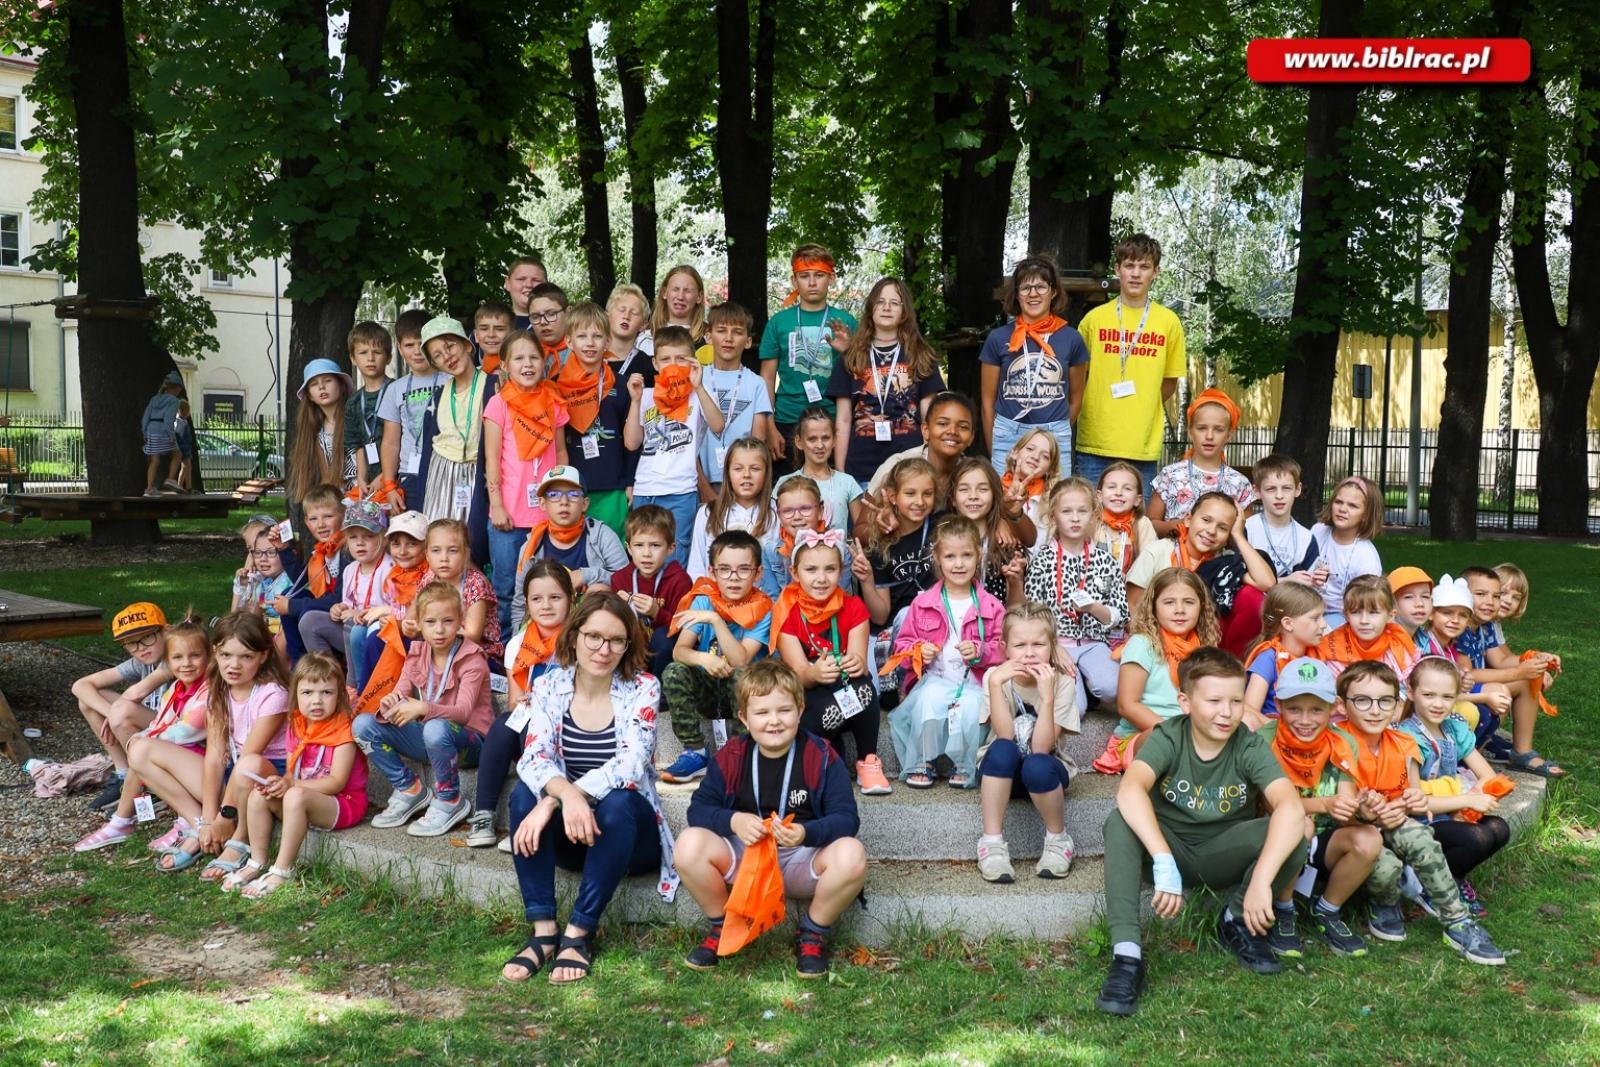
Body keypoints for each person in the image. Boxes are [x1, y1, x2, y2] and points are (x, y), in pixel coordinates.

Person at [1095, 648, 1308, 1016]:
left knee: (1298, 827)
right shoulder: (1169, 736)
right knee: (1119, 822)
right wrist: (1162, 859)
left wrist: (1260, 881)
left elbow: (1289, 805)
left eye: (1236, 701)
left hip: (1223, 850)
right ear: (1186, 701)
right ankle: (1127, 957)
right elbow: (1130, 790)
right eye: (1213, 701)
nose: (1226, 713)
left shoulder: (1248, 743)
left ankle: (1236, 919)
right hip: (1169, 849)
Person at [503, 590, 678, 984]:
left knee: (617, 802)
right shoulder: (549, 686)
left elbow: (631, 764)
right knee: (521, 796)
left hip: (628, 840)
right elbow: (533, 756)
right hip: (571, 835)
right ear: (575, 634)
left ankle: (579, 933)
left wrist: (563, 798)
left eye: (616, 640)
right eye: (594, 636)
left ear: (628, 645)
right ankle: (544, 931)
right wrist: (560, 798)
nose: (603, 649)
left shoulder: (644, 687)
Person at [676, 659, 867, 979]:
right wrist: (734, 821)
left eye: (784, 710)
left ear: (800, 710)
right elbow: (698, 810)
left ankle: (811, 933)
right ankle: (722, 925)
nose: (774, 721)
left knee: (852, 855)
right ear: (744, 718)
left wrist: (806, 832)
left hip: (798, 858)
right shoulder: (731, 756)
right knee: (688, 845)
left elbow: (847, 819)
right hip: (745, 856)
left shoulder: (821, 755)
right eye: (762, 713)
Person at [1336, 661, 1504, 964]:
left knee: (1422, 837)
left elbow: (1412, 797)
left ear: (1396, 700)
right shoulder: (1338, 741)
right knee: (1385, 865)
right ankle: (1385, 903)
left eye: (1385, 701)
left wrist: (1397, 807)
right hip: (1356, 829)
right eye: (1363, 701)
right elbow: (1340, 806)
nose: (1375, 710)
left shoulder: (1401, 742)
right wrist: (1376, 814)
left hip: (1396, 819)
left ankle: (1457, 922)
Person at [133, 613, 289, 879]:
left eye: (246, 657)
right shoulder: (218, 688)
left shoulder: (273, 694)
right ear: (215, 652)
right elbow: (215, 756)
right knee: (140, 749)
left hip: (265, 775)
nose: (234, 665)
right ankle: (199, 827)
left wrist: (225, 817)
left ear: (263, 656)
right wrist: (208, 819)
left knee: (247, 764)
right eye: (226, 655)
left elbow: (249, 756)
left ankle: (238, 837)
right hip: (233, 771)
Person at [1255, 657, 1376, 958]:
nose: (1305, 720)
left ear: (1334, 707)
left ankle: (1327, 909)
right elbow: (1270, 805)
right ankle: (1284, 909)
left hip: (1325, 836)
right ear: (1279, 706)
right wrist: (1325, 803)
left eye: (1316, 710)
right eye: (1295, 708)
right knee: (1301, 824)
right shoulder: (1263, 741)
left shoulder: (1342, 741)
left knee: (1369, 837)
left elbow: (1344, 800)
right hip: (1275, 837)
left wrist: (1361, 807)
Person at [356, 581, 491, 838]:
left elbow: (462, 712)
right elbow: (400, 693)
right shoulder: (417, 653)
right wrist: (390, 702)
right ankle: (409, 788)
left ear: (461, 621)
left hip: (470, 743)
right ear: (418, 622)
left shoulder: (472, 658)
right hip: (432, 738)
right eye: (430, 622)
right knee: (363, 725)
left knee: (435, 727)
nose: (439, 630)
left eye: (448, 621)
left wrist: (421, 708)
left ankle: (450, 799)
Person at [229, 652, 369, 898]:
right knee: (258, 795)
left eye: (326, 692)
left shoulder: (343, 731)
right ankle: (257, 861)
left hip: (342, 803)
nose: (317, 701)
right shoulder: (297, 723)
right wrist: (280, 783)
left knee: (294, 796)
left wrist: (291, 784)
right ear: (295, 695)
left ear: (340, 695)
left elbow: (337, 782)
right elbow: (294, 771)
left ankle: (283, 869)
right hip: (305, 797)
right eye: (307, 693)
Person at [74, 616, 212, 854]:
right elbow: (161, 722)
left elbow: (187, 730)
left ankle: (193, 823)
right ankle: (122, 818)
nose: (186, 663)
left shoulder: (208, 690)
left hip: (214, 775)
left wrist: (142, 739)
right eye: (178, 658)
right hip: (190, 762)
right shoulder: (178, 689)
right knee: (140, 747)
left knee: (142, 749)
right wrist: (128, 727)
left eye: (147, 638)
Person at [887, 516, 1005, 789]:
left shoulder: (991, 605)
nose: (959, 563)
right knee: (928, 698)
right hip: (936, 677)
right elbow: (902, 647)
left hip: (973, 681)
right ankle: (925, 759)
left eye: (966, 555)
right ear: (937, 559)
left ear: (979, 556)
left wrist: (980, 651)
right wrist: (919, 652)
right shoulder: (923, 603)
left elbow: (1003, 648)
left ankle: (963, 761)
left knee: (972, 706)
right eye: (950, 556)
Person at [466, 561, 576, 850]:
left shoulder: (581, 641)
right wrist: (526, 702)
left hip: (568, 729)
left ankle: (529, 818)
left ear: (571, 599)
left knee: (527, 726)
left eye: (555, 597)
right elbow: (515, 700)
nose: (546, 606)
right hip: (531, 724)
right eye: (537, 599)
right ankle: (484, 814)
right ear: (526, 603)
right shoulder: (517, 644)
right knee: (504, 724)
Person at [773, 529, 890, 796]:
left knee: (864, 687)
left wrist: (856, 663)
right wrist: (813, 672)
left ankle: (867, 760)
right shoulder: (786, 613)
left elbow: (859, 659)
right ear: (795, 572)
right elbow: (798, 674)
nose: (821, 578)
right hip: (811, 697)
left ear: (841, 571)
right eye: (811, 570)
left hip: (847, 692)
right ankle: (827, 751)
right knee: (805, 706)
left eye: (830, 569)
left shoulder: (853, 607)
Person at [1397, 657, 1512, 918]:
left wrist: (1472, 799)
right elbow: (1415, 802)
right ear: (1411, 692)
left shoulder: (1452, 729)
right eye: (1429, 695)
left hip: (1449, 812)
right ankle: (1430, 883)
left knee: (1499, 829)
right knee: (1477, 838)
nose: (1438, 704)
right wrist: (1465, 801)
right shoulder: (1405, 737)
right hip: (1420, 823)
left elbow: (1487, 775)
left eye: (1447, 697)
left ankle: (1452, 876)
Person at [1074, 233, 1187, 494]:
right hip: (1095, 442)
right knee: (1090, 522)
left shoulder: (1169, 322)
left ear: (1156, 272)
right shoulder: (1093, 320)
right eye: (1129, 265)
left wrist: (1141, 403)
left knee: (1137, 528)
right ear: (1117, 269)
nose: (1136, 274)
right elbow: (1079, 378)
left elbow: (1169, 383)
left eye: (1144, 266)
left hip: (1142, 444)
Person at [974, 603, 1078, 882]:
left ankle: (1058, 840)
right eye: (1020, 645)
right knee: (1003, 749)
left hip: (1044, 773)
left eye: (1038, 644)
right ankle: (992, 843)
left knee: (1036, 764)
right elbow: (1005, 736)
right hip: (1001, 772)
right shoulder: (994, 678)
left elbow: (1041, 748)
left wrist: (1046, 698)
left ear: (1052, 646)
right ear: (1005, 648)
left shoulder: (1063, 683)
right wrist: (996, 685)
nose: (1029, 653)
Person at [660, 531, 773, 783]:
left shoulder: (763, 609)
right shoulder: (703, 600)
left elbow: (740, 660)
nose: (733, 578)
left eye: (744, 569)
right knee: (674, 670)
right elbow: (680, 650)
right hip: (709, 688)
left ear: (758, 573)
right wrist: (704, 659)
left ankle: (739, 751)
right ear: (712, 572)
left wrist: (715, 620)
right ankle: (696, 752)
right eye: (725, 569)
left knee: (744, 674)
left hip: (745, 696)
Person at [484, 328, 570, 634]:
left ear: (545, 361)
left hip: (544, 516)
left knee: (546, 586)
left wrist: (562, 499)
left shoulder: (554, 402)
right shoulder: (499, 404)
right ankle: (505, 652)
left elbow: (560, 452)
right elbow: (492, 458)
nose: (527, 364)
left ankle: (543, 647)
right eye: (518, 358)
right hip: (509, 515)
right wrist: (496, 504)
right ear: (505, 365)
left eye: (534, 357)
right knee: (506, 588)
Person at [1094, 567, 1218, 775]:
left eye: (1189, 602)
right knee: (1164, 739)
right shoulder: (1142, 644)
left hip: (1194, 731)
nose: (1180, 610)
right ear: (1153, 607)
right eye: (1169, 602)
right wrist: (1178, 732)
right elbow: (1126, 705)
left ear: (1201, 606)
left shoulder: (1205, 646)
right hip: (1143, 736)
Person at [1022, 477, 1128, 715]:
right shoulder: (1042, 561)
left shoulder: (1105, 560)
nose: (1075, 518)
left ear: (1093, 516)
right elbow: (1033, 613)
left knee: (1111, 687)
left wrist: (1094, 608)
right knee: (1075, 710)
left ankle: (1088, 679)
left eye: (1082, 511)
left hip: (1094, 643)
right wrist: (1052, 646)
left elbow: (1120, 614)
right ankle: (1077, 684)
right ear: (1053, 518)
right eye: (1066, 511)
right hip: (1059, 643)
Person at [1126, 491, 1274, 658]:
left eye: (1223, 528)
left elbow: (1267, 583)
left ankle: (1228, 667)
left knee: (1251, 596)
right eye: (1206, 520)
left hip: (1208, 642)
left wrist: (1238, 536)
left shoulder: (1226, 562)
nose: (1211, 531)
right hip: (1158, 641)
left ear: (1227, 537)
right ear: (1189, 519)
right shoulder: (1159, 551)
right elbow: (1133, 606)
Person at [627, 325, 728, 569]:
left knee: (674, 555)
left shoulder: (698, 395)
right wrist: (635, 401)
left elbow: (718, 425)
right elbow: (631, 442)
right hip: (646, 488)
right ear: (655, 363)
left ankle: (671, 606)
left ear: (692, 362)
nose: (673, 364)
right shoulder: (647, 395)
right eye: (666, 359)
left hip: (680, 491)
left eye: (681, 359)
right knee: (644, 557)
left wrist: (699, 386)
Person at [828, 277, 945, 484]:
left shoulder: (920, 355)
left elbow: (930, 417)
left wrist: (932, 461)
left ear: (904, 311)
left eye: (895, 303)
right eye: (880, 302)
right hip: (861, 466)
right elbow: (843, 420)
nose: (886, 308)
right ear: (871, 308)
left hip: (911, 465)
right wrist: (840, 472)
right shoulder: (851, 357)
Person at [980, 254, 1088, 474]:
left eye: (1040, 286)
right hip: (1008, 432)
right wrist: (996, 445)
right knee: (1006, 503)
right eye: (1025, 288)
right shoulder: (998, 338)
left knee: (1056, 503)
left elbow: (1076, 398)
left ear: (1054, 291)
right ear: (1016, 295)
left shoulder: (1072, 338)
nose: (1033, 294)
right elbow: (987, 401)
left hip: (1054, 432)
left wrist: (1058, 427)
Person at [1457, 565, 1564, 777]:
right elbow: (1469, 675)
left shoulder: (1484, 625)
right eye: (1482, 594)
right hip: (1460, 692)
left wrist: (1535, 659)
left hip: (1474, 688)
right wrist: (1519, 672)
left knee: (1526, 681)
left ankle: (1522, 753)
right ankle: (1469, 759)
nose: (1494, 601)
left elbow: (1502, 659)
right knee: (1503, 689)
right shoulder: (1460, 626)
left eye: (1496, 596)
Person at [759, 244, 856, 469]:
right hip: (787, 419)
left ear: (831, 278)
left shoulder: (846, 322)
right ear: (795, 281)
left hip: (833, 421)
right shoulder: (778, 322)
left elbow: (862, 373)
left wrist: (848, 350)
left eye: (819, 275)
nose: (812, 283)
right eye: (804, 276)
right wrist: (769, 426)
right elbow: (766, 378)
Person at [73, 602, 173, 813]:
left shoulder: (178, 656)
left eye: (147, 637)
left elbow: (137, 693)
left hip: (178, 732)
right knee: (90, 700)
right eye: (131, 643)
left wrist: (116, 715)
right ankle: (124, 775)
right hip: (154, 728)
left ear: (166, 631)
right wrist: (111, 714)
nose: (141, 648)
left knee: (124, 711)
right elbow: (80, 685)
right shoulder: (142, 662)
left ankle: (149, 785)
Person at [553, 301, 639, 538]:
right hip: (573, 487)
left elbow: (632, 441)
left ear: (608, 342)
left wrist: (630, 481)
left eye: (597, 336)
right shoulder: (556, 387)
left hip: (613, 485)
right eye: (582, 336)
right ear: (569, 341)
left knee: (613, 553)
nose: (590, 343)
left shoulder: (622, 385)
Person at [416, 317, 496, 567]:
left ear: (468, 345)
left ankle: (473, 597)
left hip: (477, 470)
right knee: (441, 544)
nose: (447, 357)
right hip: (443, 474)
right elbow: (428, 446)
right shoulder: (438, 395)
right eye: (438, 355)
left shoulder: (493, 385)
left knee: (472, 542)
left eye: (450, 346)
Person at [510, 466, 628, 628]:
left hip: (591, 626)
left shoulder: (602, 536)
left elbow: (628, 583)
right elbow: (520, 602)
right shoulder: (531, 547)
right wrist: (518, 642)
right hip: (548, 622)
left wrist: (585, 575)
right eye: (554, 495)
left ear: (585, 504)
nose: (564, 502)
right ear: (542, 503)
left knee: (598, 589)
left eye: (573, 495)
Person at [299, 500, 391, 684]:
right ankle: (328, 679)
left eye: (369, 536)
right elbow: (349, 603)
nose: (360, 543)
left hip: (377, 636)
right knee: (309, 620)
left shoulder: (390, 568)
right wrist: (340, 607)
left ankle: (354, 684)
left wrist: (359, 614)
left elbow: (393, 609)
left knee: (354, 626)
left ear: (384, 537)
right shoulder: (351, 569)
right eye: (353, 537)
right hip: (351, 633)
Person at [1147, 388, 1257, 537]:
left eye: (1218, 429)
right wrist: (1174, 527)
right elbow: (1149, 525)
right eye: (1202, 428)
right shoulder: (1170, 475)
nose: (1209, 436)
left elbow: (1248, 532)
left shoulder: (1239, 483)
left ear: (1229, 435)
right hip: (1173, 557)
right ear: (1191, 431)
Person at [697, 302, 773, 498]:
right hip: (700, 481)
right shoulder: (696, 379)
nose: (728, 338)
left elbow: (758, 441)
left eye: (737, 332)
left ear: (748, 341)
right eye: (721, 330)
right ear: (709, 336)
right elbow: (687, 442)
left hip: (743, 483)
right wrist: (704, 488)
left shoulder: (756, 383)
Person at [610, 505, 693, 677]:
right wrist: (618, 609)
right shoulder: (620, 579)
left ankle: (660, 694)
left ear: (671, 548)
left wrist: (657, 612)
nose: (647, 553)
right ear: (629, 548)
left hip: (661, 654)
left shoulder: (680, 580)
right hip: (631, 646)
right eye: (639, 545)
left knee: (664, 637)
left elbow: (686, 629)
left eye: (655, 545)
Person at [854, 457, 938, 628]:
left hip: (937, 623)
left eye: (927, 494)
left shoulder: (941, 528)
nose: (920, 502)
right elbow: (880, 617)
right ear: (892, 496)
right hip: (895, 631)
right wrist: (867, 581)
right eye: (910, 493)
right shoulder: (880, 547)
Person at [269, 484, 348, 663]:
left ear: (343, 516)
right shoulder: (321, 553)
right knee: (288, 594)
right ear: (306, 522)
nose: (320, 525)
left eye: (328, 516)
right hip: (330, 611)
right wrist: (283, 549)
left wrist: (293, 606)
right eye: (313, 519)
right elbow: (302, 580)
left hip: (343, 613)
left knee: (299, 609)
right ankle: (299, 663)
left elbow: (339, 598)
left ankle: (319, 668)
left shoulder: (346, 551)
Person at [376, 309, 440, 512]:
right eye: (409, 345)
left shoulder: (451, 380)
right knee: (414, 537)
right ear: (399, 348)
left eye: (422, 343)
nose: (417, 351)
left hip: (443, 469)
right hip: (409, 474)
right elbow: (390, 441)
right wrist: (389, 484)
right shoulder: (395, 389)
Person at [688, 437, 778, 580]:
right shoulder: (708, 513)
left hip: (764, 600)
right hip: (715, 599)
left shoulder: (777, 513)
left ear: (766, 473)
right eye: (738, 468)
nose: (746, 475)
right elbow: (696, 569)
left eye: (755, 468)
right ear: (728, 473)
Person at [865, 391, 978, 503]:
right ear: (925, 430)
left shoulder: (976, 474)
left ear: (972, 437)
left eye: (963, 427)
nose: (952, 431)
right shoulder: (896, 467)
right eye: (943, 424)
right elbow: (863, 520)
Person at [1242, 580, 1326, 725]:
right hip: (1274, 735)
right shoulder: (1268, 658)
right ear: (1288, 623)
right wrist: (1281, 732)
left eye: (1323, 617)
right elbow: (1248, 709)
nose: (1324, 624)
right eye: (1315, 618)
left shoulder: (1318, 655)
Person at [773, 406, 865, 535]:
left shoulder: (847, 482)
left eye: (826, 438)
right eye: (812, 439)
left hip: (839, 554)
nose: (820, 445)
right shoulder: (785, 482)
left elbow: (862, 531)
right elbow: (774, 530)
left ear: (834, 440)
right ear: (799, 442)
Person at [421, 518, 502, 661]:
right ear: (427, 555)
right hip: (439, 646)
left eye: (452, 551)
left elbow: (473, 635)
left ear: (465, 554)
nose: (444, 558)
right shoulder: (428, 579)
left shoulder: (475, 583)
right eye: (436, 551)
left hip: (477, 653)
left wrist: (431, 632)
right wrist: (408, 626)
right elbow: (414, 618)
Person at [947, 458, 1027, 602]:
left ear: (994, 495)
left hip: (997, 623)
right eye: (964, 489)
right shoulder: (943, 542)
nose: (973, 496)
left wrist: (1015, 582)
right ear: (953, 498)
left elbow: (1016, 610)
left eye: (983, 489)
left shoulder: (1007, 546)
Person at [761, 475, 855, 599]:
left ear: (821, 510)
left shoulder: (840, 550)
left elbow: (841, 598)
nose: (797, 516)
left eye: (805, 509)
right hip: (786, 615)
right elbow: (772, 599)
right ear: (779, 515)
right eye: (788, 511)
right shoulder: (770, 551)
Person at [1309, 476, 1384, 629]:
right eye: (1338, 502)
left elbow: (1364, 604)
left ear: (1366, 514)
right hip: (1307, 603)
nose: (1342, 509)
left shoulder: (1366, 557)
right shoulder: (1318, 531)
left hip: (1341, 615)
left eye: (1353, 506)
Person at [1320, 575, 1421, 686]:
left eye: (1373, 612)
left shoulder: (1399, 649)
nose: (1364, 621)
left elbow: (1409, 691)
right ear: (1346, 615)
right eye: (1356, 612)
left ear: (1390, 615)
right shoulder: (1332, 648)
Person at [287, 358, 355, 500]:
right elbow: (328, 478)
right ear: (310, 396)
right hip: (343, 499)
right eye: (314, 384)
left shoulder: (355, 418)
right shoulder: (318, 433)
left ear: (341, 385)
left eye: (328, 381)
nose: (321, 387)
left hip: (370, 491)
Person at [1244, 454, 1319, 582]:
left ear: (1298, 489)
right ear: (1256, 491)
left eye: (1286, 488)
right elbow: (1236, 576)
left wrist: (1316, 580)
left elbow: (1307, 585)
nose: (1279, 495)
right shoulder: (1246, 529)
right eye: (1271, 489)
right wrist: (1285, 580)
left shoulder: (1306, 538)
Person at [344, 321, 393, 496]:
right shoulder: (353, 402)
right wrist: (362, 479)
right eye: (363, 353)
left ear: (388, 357)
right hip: (370, 484)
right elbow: (358, 446)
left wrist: (384, 478)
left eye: (377, 352)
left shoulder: (397, 391)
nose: (370, 358)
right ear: (353, 358)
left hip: (396, 478)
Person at [1092, 461, 1157, 582]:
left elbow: (1149, 564)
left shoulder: (1142, 524)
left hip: (1130, 592)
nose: (1118, 493)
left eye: (1127, 488)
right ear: (1099, 495)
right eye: (1111, 487)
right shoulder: (1091, 523)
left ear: (1137, 500)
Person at [996, 427, 1059, 539]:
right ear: (1015, 453)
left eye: (1045, 456)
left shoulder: (1053, 501)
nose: (1035, 457)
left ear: (1050, 469)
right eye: (1030, 449)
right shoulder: (994, 489)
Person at [647, 265, 712, 362]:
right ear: (664, 293)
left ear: (699, 297)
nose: (680, 296)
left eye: (687, 291)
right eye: (675, 289)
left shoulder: (709, 338)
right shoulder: (646, 337)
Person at [140, 369, 185, 496]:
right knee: (177, 454)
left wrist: (144, 431)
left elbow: (146, 416)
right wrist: (171, 435)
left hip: (151, 430)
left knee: (154, 460)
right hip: (163, 430)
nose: (179, 393)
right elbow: (169, 419)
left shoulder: (155, 399)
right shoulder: (173, 401)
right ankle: (170, 479)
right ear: (175, 388)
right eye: (179, 390)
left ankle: (149, 489)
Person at [1389, 565, 1435, 653]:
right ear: (1390, 604)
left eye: (1425, 596)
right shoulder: (1384, 642)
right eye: (1408, 597)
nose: (1420, 604)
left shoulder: (1423, 638)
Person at [605, 283, 651, 369]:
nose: (626, 316)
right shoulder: (589, 358)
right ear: (607, 315)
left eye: (634, 313)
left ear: (643, 325)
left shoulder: (649, 366)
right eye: (621, 310)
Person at [528, 282, 571, 367]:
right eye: (535, 317)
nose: (543, 322)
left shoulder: (585, 349)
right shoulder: (523, 352)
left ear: (568, 313)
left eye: (551, 314)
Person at [503, 255, 549, 330]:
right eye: (521, 279)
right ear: (508, 283)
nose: (528, 285)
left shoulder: (562, 324)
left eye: (536, 280)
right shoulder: (492, 325)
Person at [473, 300, 514, 377]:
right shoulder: (474, 375)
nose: (491, 335)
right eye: (484, 329)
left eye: (499, 329)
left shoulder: (520, 370)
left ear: (512, 334)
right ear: (476, 335)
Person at [173, 401, 196, 491]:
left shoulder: (183, 421)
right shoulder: (179, 422)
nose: (188, 412)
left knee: (185, 467)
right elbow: (178, 435)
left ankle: (179, 487)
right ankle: (188, 487)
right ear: (182, 411)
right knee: (188, 467)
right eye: (187, 410)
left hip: (185, 448)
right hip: (183, 448)